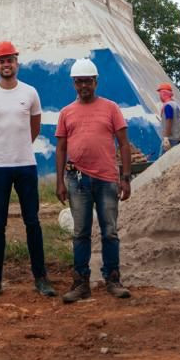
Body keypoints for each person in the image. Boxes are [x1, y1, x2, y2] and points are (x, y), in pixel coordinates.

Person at [0, 40, 55, 301]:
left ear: (16, 63)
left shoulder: (30, 92)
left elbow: (35, 127)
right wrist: (3, 147)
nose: (6, 64)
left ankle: (40, 277)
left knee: (32, 221)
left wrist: (19, 147)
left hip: (26, 165)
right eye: (1, 61)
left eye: (9, 60)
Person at [56, 57, 132, 302]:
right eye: (79, 82)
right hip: (77, 180)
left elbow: (123, 144)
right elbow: (61, 148)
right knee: (81, 233)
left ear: (96, 82)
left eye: (87, 81)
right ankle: (81, 283)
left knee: (110, 231)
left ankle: (113, 279)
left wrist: (126, 178)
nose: (83, 86)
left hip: (107, 179)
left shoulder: (111, 108)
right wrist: (60, 182)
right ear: (73, 84)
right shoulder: (66, 112)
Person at [157, 81, 180, 153]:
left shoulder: (168, 105)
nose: (160, 96)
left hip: (171, 139)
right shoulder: (175, 104)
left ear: (163, 94)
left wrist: (166, 137)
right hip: (178, 137)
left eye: (160, 94)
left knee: (163, 159)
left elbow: (169, 120)